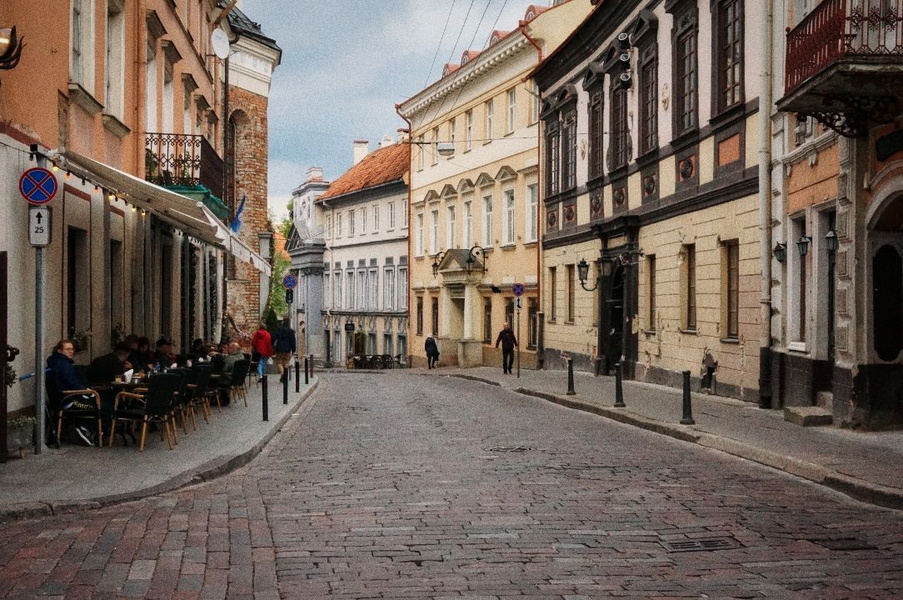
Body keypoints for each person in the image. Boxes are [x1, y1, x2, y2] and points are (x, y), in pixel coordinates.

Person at [46, 339, 95, 446]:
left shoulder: (55, 363)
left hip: (59, 400)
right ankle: (86, 429)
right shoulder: (64, 365)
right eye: (67, 349)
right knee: (100, 405)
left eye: (72, 349)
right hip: (69, 400)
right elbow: (73, 384)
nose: (71, 351)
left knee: (95, 400)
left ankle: (83, 428)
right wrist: (86, 390)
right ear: (59, 351)